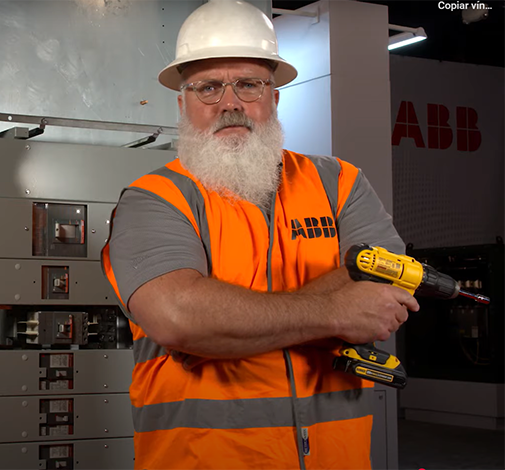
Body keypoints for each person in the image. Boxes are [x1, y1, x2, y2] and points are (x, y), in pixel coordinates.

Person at [100, 0, 420, 469]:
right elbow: (178, 318)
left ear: (275, 97)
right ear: (183, 104)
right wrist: (336, 311)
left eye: (249, 84)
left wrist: (225, 328)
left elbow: (388, 279)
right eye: (208, 87)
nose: (230, 103)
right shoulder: (155, 199)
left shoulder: (339, 183)